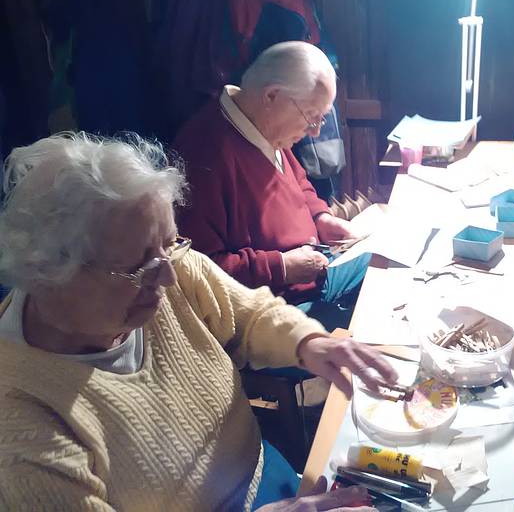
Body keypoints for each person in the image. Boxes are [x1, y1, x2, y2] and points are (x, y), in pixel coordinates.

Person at [0, 132, 396, 510]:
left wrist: (309, 342)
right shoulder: (21, 429)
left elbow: (249, 312)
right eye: (139, 266)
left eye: (169, 243)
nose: (169, 276)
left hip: (264, 470)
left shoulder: (160, 261)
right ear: (49, 274)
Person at [174, 41, 366, 331]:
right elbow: (199, 272)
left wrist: (321, 218)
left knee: (384, 262)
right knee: (370, 333)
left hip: (312, 273)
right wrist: (283, 267)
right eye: (311, 116)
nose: (315, 130)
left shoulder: (264, 126)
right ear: (272, 95)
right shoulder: (205, 154)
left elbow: (299, 183)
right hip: (268, 311)